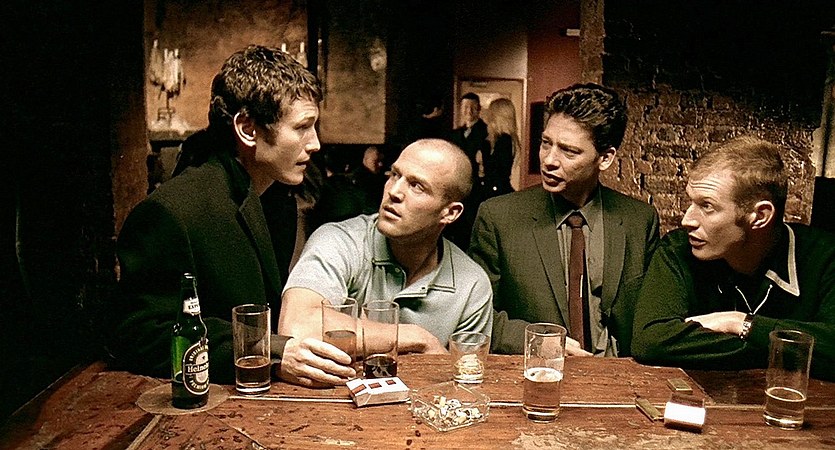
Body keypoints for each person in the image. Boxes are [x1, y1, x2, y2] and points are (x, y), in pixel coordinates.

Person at [110, 45, 338, 384]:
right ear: (247, 128)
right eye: (302, 127)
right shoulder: (169, 212)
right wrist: (271, 351)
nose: (315, 143)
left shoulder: (277, 198)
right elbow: (140, 334)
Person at [278, 138, 493, 386]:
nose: (394, 192)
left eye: (417, 186)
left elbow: (465, 380)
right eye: (394, 175)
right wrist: (416, 338)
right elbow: (298, 327)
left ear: (450, 212)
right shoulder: (338, 241)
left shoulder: (472, 285)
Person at [468, 83, 660, 356]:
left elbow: (651, 317)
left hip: (616, 373)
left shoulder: (639, 220)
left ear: (605, 158)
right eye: (546, 143)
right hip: (539, 371)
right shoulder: (499, 217)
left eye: (569, 151)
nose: (549, 160)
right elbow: (476, 316)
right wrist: (537, 342)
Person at [632, 136, 835, 381]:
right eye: (691, 202)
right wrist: (786, 351)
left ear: (760, 216)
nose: (687, 220)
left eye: (707, 206)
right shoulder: (678, 249)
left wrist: (739, 323)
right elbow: (652, 341)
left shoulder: (825, 257)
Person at [310, 145, 388, 230]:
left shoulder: (376, 182)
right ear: (366, 159)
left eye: (382, 161)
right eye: (376, 161)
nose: (380, 164)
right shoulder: (345, 184)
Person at [476, 97, 518, 199]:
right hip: (495, 191)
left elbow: (497, 171)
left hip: (496, 192)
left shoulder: (505, 140)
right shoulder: (497, 139)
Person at [450, 92, 488, 172]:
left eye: (473, 107)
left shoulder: (487, 132)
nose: (469, 111)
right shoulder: (455, 133)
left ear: (479, 108)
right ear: (461, 109)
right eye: (466, 107)